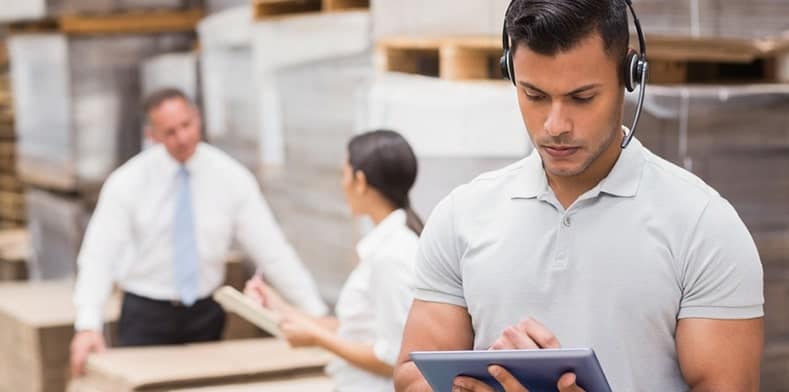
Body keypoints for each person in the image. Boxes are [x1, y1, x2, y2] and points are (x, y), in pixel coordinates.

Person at [393, 1, 764, 391]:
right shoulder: (462, 216)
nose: (556, 125)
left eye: (582, 97)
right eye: (535, 95)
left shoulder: (704, 226)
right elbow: (412, 376)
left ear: (630, 75)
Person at [69, 88, 327, 376]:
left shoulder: (231, 177)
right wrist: (87, 324)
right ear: (152, 135)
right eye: (170, 132)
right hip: (146, 314)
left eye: (186, 125)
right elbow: (99, 255)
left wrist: (316, 315)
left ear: (198, 118)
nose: (182, 138)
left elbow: (272, 250)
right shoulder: (127, 183)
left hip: (205, 313)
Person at [246, 130, 422, 392]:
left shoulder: (391, 256)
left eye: (344, 174)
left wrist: (318, 339)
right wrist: (277, 305)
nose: (342, 184)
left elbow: (393, 358)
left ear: (360, 181)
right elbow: (355, 329)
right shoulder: (387, 246)